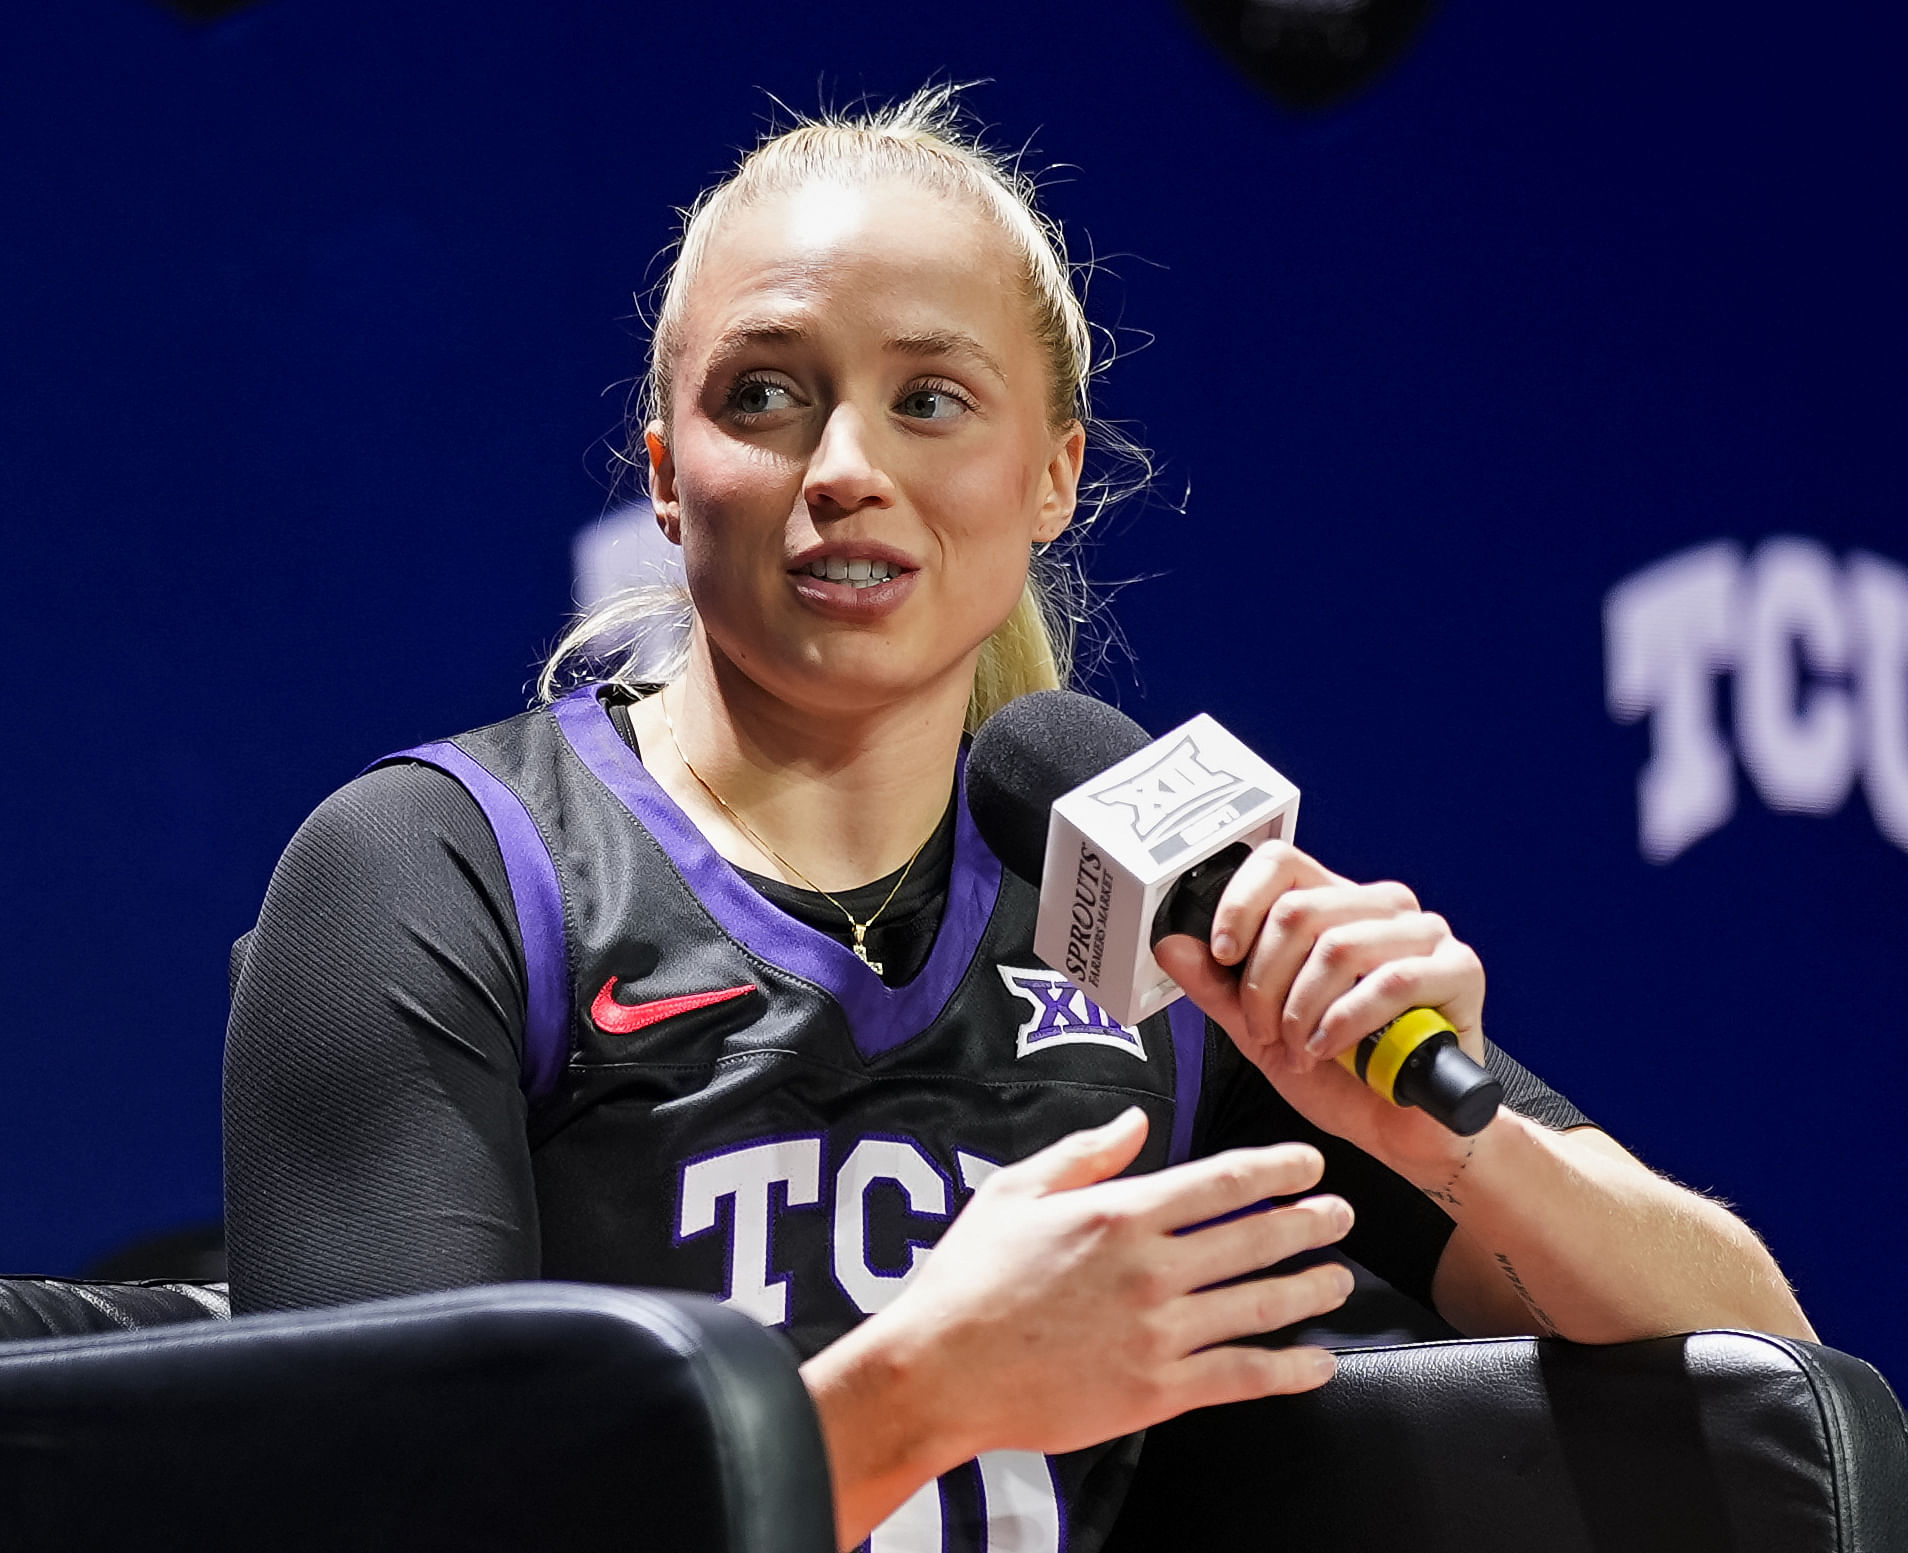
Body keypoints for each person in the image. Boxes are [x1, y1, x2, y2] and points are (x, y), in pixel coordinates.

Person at [223, 88, 1815, 1553]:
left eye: (930, 399)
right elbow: (373, 1519)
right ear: (664, 469)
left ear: (1052, 474)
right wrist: (924, 1389)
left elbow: (1768, 1368)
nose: (844, 467)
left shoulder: (1163, 918)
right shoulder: (441, 869)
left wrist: (1448, 1147)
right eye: (765, 393)